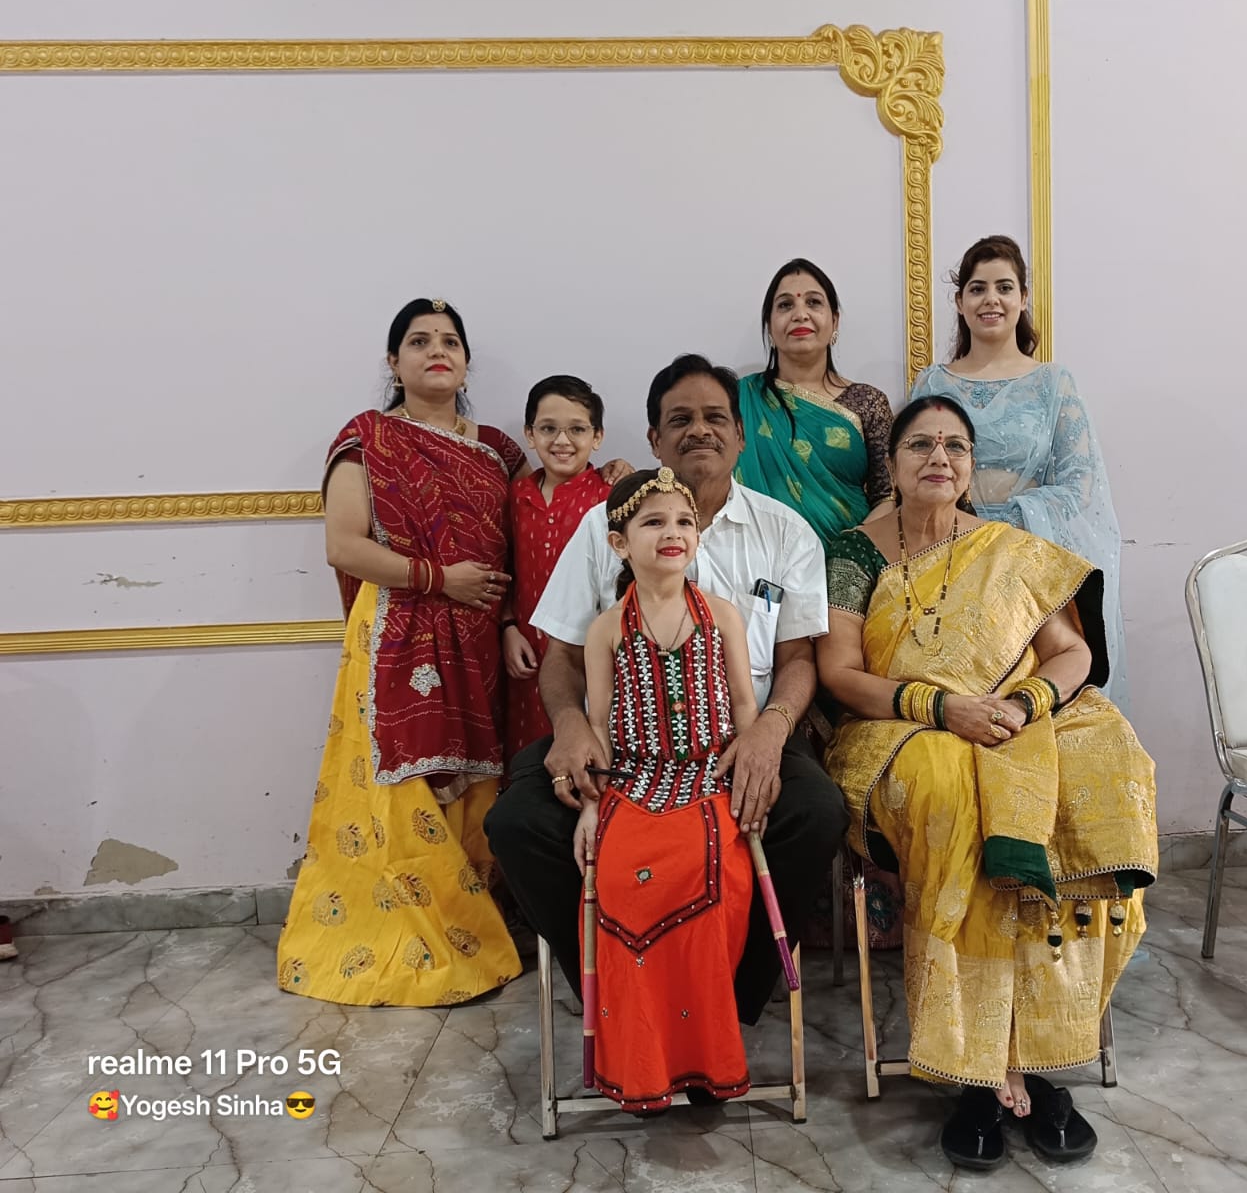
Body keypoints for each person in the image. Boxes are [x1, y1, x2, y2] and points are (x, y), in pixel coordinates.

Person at [818, 395, 1158, 1171]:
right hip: (898, 727)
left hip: (1014, 718)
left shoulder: (1006, 548)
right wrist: (942, 707)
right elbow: (840, 673)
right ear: (893, 463)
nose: (939, 458)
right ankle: (976, 1068)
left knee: (1103, 773)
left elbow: (1070, 654)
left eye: (955, 447)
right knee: (953, 794)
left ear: (970, 467)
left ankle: (1031, 1055)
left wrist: (1023, 705)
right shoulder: (854, 553)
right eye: (920, 445)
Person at [485, 353, 849, 1029]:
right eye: (679, 419)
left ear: (741, 436)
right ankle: (617, 990)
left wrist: (769, 732)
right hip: (619, 744)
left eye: (715, 418)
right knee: (517, 822)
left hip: (741, 737)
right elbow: (561, 656)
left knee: (816, 813)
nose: (699, 430)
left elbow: (798, 658)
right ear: (654, 440)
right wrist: (570, 726)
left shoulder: (784, 532)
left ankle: (726, 999)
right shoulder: (601, 528)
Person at [276, 298, 523, 1007]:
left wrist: (506, 619)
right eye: (418, 341)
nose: (436, 351)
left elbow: (525, 539)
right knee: (402, 782)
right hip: (396, 632)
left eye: (450, 341)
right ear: (394, 361)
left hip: (479, 636)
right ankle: (407, 940)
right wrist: (441, 579)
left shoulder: (500, 450)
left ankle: (469, 922)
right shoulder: (368, 438)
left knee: (475, 782)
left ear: (466, 362)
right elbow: (344, 544)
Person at [575, 468, 759, 1110]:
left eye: (683, 522)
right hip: (633, 787)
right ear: (619, 543)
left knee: (719, 887)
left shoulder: (723, 617)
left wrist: (750, 774)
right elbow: (599, 727)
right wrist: (591, 809)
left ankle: (704, 1063)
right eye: (652, 522)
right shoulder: (606, 630)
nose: (672, 533)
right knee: (618, 885)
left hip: (711, 785)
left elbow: (745, 707)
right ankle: (645, 1069)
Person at [910, 235, 1129, 708]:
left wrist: (1005, 525)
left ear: (1023, 298)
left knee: (1032, 696)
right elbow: (911, 468)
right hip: (947, 557)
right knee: (958, 697)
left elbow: (1080, 485)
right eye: (977, 288)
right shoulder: (932, 383)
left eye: (1004, 287)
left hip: (1030, 562)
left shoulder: (1053, 383)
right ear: (960, 302)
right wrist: (963, 527)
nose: (991, 299)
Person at [733, 258, 893, 546]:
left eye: (813, 302)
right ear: (769, 326)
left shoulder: (868, 403)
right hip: (754, 556)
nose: (800, 314)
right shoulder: (738, 398)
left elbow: (888, 497)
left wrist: (849, 552)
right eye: (785, 305)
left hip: (846, 559)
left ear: (835, 321)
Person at [502, 375, 621, 760]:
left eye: (577, 429)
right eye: (548, 428)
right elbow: (503, 567)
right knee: (529, 752)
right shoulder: (515, 496)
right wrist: (507, 627)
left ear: (597, 436)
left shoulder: (610, 498)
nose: (562, 441)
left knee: (588, 743)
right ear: (530, 434)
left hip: (586, 652)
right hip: (526, 649)